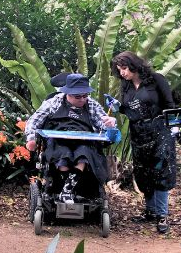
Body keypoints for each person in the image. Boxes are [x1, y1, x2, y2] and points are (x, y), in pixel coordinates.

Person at [111, 51, 177, 233]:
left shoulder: (156, 80)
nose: (122, 73)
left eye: (124, 68)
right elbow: (128, 109)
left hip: (159, 129)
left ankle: (162, 215)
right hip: (138, 132)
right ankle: (150, 211)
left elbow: (170, 105)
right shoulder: (126, 86)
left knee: (161, 169)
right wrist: (118, 108)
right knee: (143, 171)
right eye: (119, 70)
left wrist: (172, 128)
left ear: (134, 65)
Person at [24, 74, 117, 202]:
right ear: (67, 93)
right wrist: (31, 138)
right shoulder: (54, 102)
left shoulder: (91, 105)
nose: (82, 99)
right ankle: (65, 188)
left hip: (84, 142)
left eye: (85, 95)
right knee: (63, 153)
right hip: (58, 141)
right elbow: (34, 121)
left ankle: (67, 189)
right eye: (78, 96)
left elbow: (103, 124)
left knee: (84, 153)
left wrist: (110, 124)